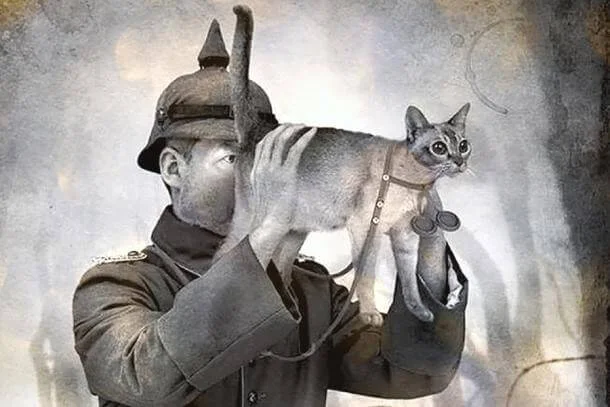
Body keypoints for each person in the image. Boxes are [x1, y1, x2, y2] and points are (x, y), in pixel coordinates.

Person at [72, 20, 468, 407]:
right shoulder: (118, 285)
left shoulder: (313, 292)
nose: (263, 175)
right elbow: (143, 378)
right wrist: (268, 232)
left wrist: (428, 248)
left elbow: (413, 372)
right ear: (174, 169)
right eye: (235, 158)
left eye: (272, 157)